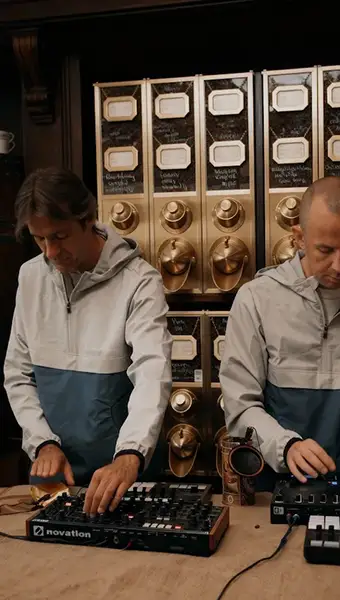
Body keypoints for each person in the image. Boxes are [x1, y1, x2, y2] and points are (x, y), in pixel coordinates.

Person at [219, 176, 340, 487]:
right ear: (299, 238)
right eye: (325, 249)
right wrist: (287, 446)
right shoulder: (256, 300)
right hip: (276, 483)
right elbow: (240, 407)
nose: (339, 265)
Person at [3, 167, 173, 514]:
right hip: (53, 470)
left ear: (89, 219)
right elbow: (18, 374)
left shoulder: (139, 282)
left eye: (60, 236)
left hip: (121, 473)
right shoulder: (31, 277)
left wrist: (130, 454)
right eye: (39, 239)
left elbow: (152, 374)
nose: (51, 252)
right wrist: (43, 443)